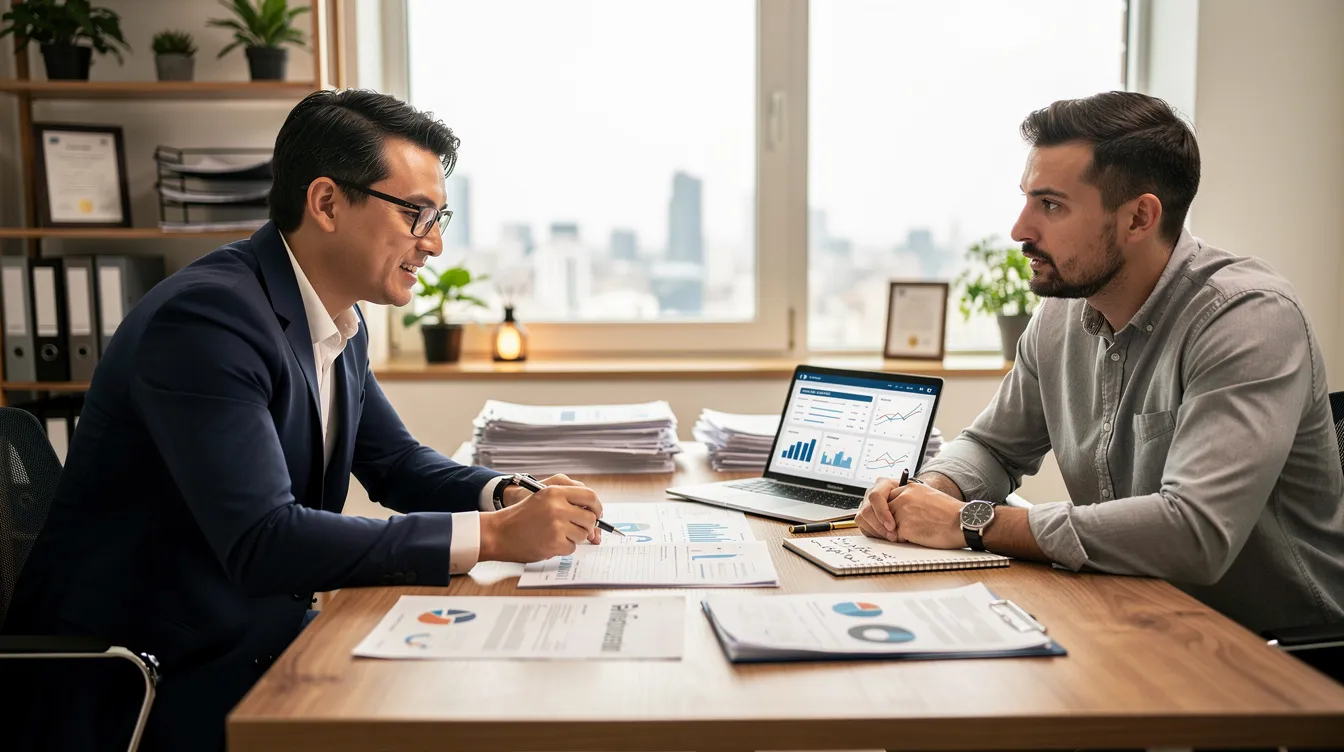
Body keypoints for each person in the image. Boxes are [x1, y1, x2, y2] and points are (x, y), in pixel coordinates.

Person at [0, 89, 604, 751]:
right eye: (416, 214)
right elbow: (265, 541)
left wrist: (506, 493)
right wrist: (491, 537)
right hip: (147, 684)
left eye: (439, 217)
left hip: (256, 643)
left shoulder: (334, 316)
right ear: (326, 203)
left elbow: (396, 464)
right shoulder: (207, 322)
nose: (432, 243)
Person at [855, 91, 1344, 633]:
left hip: (1280, 650)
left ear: (1139, 217)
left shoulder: (1248, 319)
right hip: (1136, 615)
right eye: (1027, 200)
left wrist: (974, 523)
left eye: (1051, 205)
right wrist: (927, 494)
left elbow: (1194, 533)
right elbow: (993, 447)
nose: (1020, 230)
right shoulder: (1061, 315)